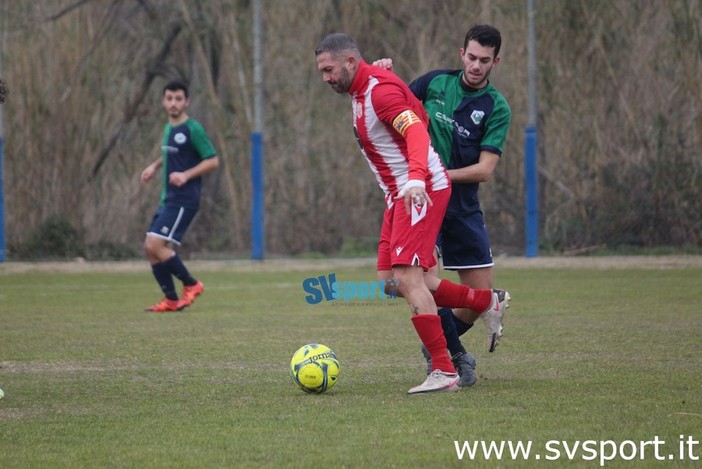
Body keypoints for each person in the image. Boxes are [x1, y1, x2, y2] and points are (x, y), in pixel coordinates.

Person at [315, 33, 509, 394]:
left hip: (419, 191)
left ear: (350, 62)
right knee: (392, 281)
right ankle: (487, 301)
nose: (325, 78)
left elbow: (417, 131)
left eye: (329, 70)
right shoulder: (366, 89)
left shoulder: (378, 92)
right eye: (322, 71)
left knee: (409, 279)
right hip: (398, 195)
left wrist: (416, 179)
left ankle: (443, 369)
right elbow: (414, 107)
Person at [375, 24, 511, 385]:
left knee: (473, 299)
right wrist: (383, 74)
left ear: (496, 61)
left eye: (485, 60)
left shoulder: (496, 108)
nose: (476, 65)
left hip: (461, 208)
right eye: (471, 57)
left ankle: (460, 330)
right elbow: (395, 101)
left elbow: (484, 169)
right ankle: (453, 358)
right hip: (422, 202)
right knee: (409, 281)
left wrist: (436, 176)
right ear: (461, 54)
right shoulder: (435, 83)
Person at [140, 80, 219, 312]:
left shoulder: (193, 129)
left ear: (187, 102)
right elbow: (171, 154)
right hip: (169, 197)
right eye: (169, 98)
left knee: (156, 244)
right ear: (164, 101)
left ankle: (192, 284)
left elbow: (212, 161)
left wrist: (186, 175)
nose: (173, 103)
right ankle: (171, 299)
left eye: (178, 99)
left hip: (185, 198)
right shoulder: (169, 128)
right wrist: (153, 167)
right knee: (149, 247)